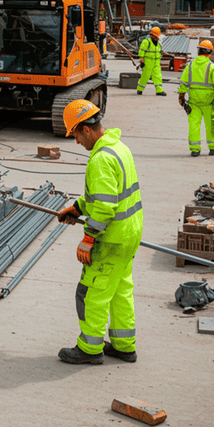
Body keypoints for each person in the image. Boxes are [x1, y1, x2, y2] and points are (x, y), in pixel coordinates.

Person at [55, 99, 143, 365]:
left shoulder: (101, 159)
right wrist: (78, 208)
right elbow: (106, 196)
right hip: (129, 234)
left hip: (112, 238)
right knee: (119, 291)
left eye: (76, 135)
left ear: (86, 129)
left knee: (91, 293)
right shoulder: (118, 147)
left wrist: (88, 239)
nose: (77, 142)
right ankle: (124, 346)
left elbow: (105, 207)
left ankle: (90, 349)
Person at [178, 40, 214, 157]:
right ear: (210, 53)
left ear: (198, 51)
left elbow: (183, 83)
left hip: (194, 101)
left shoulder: (190, 65)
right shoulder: (212, 67)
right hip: (209, 102)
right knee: (211, 124)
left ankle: (195, 149)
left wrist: (181, 96)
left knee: (194, 124)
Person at [136, 26, 165, 95]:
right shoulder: (146, 42)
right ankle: (140, 89)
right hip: (148, 62)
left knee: (157, 76)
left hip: (156, 62)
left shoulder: (158, 43)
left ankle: (159, 90)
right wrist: (141, 61)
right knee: (145, 76)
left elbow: (159, 51)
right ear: (152, 35)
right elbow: (141, 51)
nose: (157, 38)